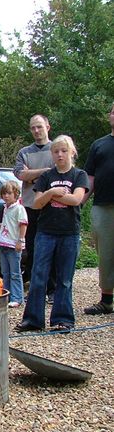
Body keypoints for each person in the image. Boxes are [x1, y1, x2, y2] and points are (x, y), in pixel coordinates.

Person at [15, 135, 89, 333]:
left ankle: (62, 320)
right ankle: (33, 320)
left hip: (69, 233)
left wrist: (54, 195)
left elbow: (77, 200)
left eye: (64, 151)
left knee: (64, 279)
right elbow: (36, 202)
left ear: (72, 152)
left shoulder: (79, 175)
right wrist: (51, 194)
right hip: (45, 232)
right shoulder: (47, 176)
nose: (59, 154)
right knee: (39, 276)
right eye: (56, 151)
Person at [14, 114, 56, 301]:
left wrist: (32, 176)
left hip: (53, 205)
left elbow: (61, 172)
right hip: (30, 206)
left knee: (52, 248)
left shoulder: (57, 148)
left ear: (48, 126)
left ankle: (52, 289)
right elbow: (20, 174)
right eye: (33, 127)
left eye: (39, 126)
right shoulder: (24, 152)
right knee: (32, 248)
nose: (36, 131)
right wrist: (45, 173)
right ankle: (35, 287)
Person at [82, 102, 114, 315]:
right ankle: (106, 301)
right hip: (103, 207)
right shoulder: (99, 145)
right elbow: (90, 177)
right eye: (113, 111)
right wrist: (80, 202)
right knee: (106, 254)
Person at [0, 180, 27, 307]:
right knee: (5, 272)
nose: (6, 196)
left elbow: (23, 225)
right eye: (4, 193)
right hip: (3, 244)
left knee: (15, 273)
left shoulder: (19, 208)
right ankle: (7, 295)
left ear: (16, 194)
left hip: (13, 245)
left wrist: (20, 241)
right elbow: (6, 225)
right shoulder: (6, 208)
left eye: (9, 193)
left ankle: (18, 298)